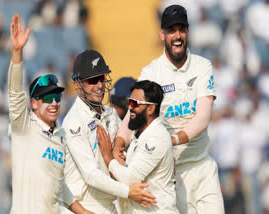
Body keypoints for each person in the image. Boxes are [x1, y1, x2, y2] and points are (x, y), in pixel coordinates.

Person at [113, 5, 225, 214]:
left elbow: (202, 117)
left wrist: (173, 139)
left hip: (202, 167)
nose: (177, 36)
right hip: (171, 175)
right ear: (161, 34)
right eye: (171, 30)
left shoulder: (202, 66)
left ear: (188, 31)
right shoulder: (151, 72)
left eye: (181, 29)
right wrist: (119, 142)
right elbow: (133, 114)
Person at [8, 14, 93, 214]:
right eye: (47, 99)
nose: (54, 102)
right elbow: (14, 94)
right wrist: (17, 52)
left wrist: (83, 212)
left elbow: (59, 185)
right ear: (34, 104)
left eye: (56, 97)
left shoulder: (61, 135)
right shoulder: (24, 127)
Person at [62, 50, 157, 213]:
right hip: (83, 206)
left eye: (102, 78)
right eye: (92, 80)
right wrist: (128, 192)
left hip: (108, 204)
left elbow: (129, 144)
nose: (99, 85)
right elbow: (90, 175)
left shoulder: (110, 114)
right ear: (78, 84)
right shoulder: (73, 122)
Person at [97, 80, 179, 213]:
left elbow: (129, 178)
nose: (130, 108)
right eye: (129, 102)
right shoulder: (139, 133)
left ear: (151, 108)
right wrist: (119, 163)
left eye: (135, 103)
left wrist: (109, 158)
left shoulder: (157, 137)